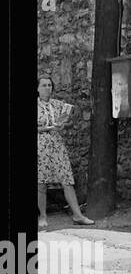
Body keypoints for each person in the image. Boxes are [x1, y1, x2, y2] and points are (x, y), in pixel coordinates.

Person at [37, 75, 94, 228]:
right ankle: (42, 216)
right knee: (41, 182)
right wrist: (48, 128)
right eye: (44, 85)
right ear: (37, 88)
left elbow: (66, 122)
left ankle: (78, 215)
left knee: (67, 179)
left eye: (49, 85)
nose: (47, 88)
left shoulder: (58, 104)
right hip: (40, 146)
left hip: (57, 144)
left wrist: (65, 124)